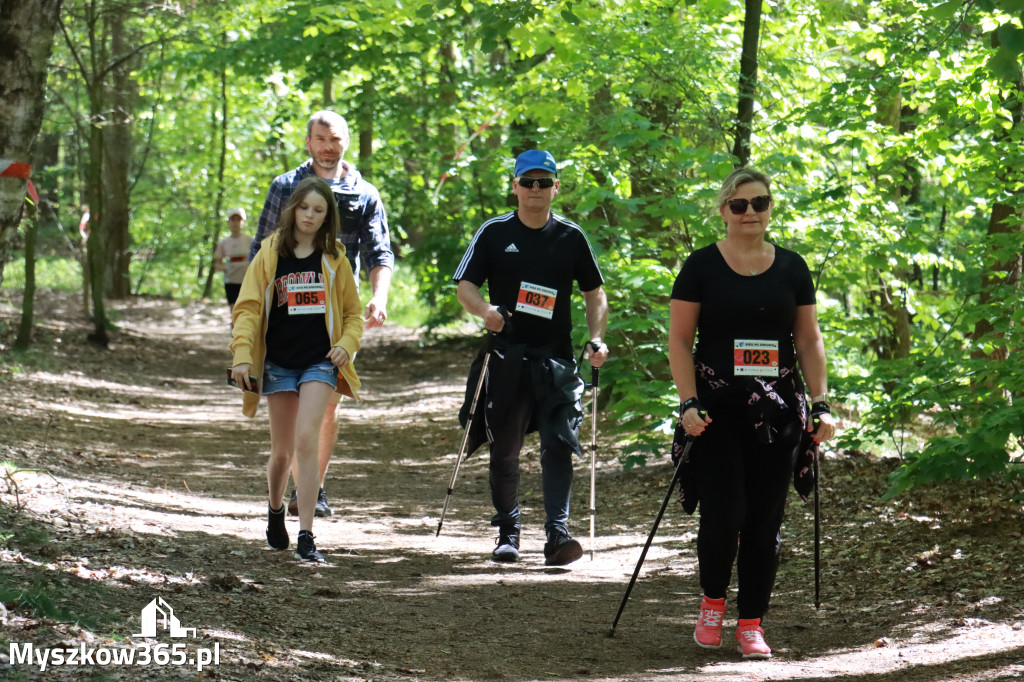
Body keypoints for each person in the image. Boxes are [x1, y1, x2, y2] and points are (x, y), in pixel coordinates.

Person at [667, 167, 836, 659]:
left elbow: (808, 339)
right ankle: (713, 603)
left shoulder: (792, 268)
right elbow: (679, 340)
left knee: (764, 522)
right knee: (724, 516)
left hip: (778, 413)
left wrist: (822, 403)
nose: (749, 213)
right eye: (739, 205)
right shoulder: (700, 266)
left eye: (759, 203)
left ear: (770, 209)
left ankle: (751, 623)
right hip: (716, 411)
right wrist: (688, 401)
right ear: (723, 211)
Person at [453, 149, 610, 566]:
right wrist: (486, 311)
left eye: (544, 182)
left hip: (557, 362)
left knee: (560, 443)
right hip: (507, 358)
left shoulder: (571, 237)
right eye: (528, 182)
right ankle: (509, 530)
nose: (535, 190)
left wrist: (596, 338)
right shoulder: (493, 232)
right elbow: (465, 285)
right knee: (505, 447)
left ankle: (558, 535)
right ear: (515, 186)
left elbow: (595, 293)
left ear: (556, 187)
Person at [250, 109, 393, 518]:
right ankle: (290, 482)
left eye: (336, 139)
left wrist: (379, 297)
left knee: (327, 404)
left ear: (346, 141)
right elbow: (262, 248)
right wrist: (249, 315)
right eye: (321, 139)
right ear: (309, 143)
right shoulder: (285, 186)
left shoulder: (364, 193)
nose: (328, 147)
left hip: (335, 321)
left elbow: (379, 251)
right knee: (290, 407)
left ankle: (311, 486)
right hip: (284, 321)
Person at [230, 176, 363, 563]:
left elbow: (353, 314)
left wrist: (345, 345)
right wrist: (241, 354)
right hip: (278, 364)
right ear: (293, 210)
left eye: (318, 210)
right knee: (282, 453)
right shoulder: (271, 252)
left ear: (327, 217)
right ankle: (274, 510)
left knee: (308, 440)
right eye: (304, 208)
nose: (310, 215)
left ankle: (307, 535)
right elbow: (249, 308)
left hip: (320, 362)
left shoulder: (335, 257)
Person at [213, 208, 253, 314]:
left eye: (238, 220)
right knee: (234, 308)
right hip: (231, 280)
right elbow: (217, 263)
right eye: (233, 220)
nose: (235, 223)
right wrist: (226, 268)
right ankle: (234, 327)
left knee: (246, 308)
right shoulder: (224, 243)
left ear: (243, 222)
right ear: (228, 223)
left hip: (247, 280)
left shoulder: (251, 241)